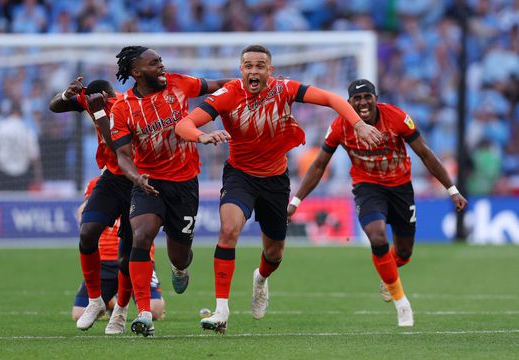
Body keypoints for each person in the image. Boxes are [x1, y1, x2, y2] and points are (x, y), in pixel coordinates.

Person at [175, 44, 382, 333]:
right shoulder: (228, 94)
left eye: (260, 65)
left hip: (275, 179)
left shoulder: (285, 89)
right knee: (229, 230)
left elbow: (332, 99)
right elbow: (183, 125)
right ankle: (221, 310)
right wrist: (201, 136)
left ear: (270, 70)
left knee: (274, 253)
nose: (254, 70)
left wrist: (358, 124)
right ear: (241, 70)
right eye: (248, 65)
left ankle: (260, 278)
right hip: (240, 176)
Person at [287, 79, 468, 327]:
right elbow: (319, 165)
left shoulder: (397, 118)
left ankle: (389, 275)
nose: (363, 103)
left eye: (367, 97)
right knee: (378, 236)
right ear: (349, 103)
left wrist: (452, 189)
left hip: (401, 188)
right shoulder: (340, 126)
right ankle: (401, 303)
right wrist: (296, 201)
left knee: (403, 252)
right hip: (367, 188)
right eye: (357, 99)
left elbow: (425, 153)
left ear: (376, 97)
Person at [108, 45, 231, 337]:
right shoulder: (122, 108)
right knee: (140, 236)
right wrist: (136, 179)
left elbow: (218, 86)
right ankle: (144, 313)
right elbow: (123, 155)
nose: (161, 66)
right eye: (154, 63)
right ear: (137, 72)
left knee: (180, 255)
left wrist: (247, 85)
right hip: (148, 183)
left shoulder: (179, 83)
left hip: (185, 183)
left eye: (161, 61)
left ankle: (179, 269)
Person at [49, 79, 136, 334]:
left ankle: (120, 311)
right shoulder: (94, 100)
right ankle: (96, 301)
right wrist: (67, 93)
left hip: (137, 179)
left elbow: (119, 148)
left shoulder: (125, 105)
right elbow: (54, 106)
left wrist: (98, 111)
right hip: (111, 178)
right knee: (87, 232)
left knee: (128, 253)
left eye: (101, 103)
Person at [72, 176, 166, 330]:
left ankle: (124, 309)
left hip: (136, 256)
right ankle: (107, 303)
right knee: (78, 313)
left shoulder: (148, 177)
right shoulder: (99, 183)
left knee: (155, 309)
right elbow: (83, 210)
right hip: (105, 262)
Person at [0, 103, 43, 191]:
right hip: (22, 177)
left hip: (2, 176)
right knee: (19, 204)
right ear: (21, 113)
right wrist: (38, 178)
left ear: (9, 112)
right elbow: (35, 158)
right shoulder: (28, 131)